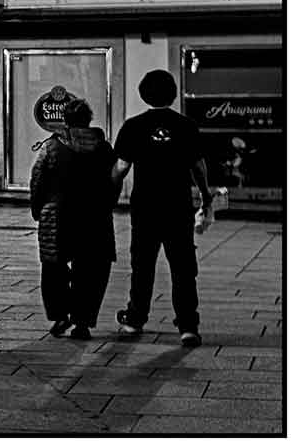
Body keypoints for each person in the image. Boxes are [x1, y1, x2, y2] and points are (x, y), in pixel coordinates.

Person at [111, 69, 213, 348]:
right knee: (182, 266)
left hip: (145, 206)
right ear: (173, 93)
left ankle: (135, 320)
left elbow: (120, 168)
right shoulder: (187, 126)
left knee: (142, 264)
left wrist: (109, 194)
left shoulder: (132, 126)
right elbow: (198, 167)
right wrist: (205, 196)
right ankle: (188, 326)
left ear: (143, 94)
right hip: (177, 206)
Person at [29, 98, 119, 340]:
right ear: (89, 120)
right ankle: (82, 322)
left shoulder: (52, 147)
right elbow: (114, 181)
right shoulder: (104, 148)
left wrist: (38, 209)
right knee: (91, 271)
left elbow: (37, 180)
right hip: (94, 218)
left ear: (65, 120)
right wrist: (107, 205)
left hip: (57, 216)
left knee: (54, 268)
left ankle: (60, 315)